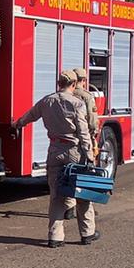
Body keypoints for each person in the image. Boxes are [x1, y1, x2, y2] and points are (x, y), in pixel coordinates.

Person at [15, 69, 99, 248]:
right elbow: (83, 133)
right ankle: (87, 233)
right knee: (82, 194)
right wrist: (90, 156)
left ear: (58, 83)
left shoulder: (47, 101)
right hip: (74, 152)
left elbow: (30, 116)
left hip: (54, 151)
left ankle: (55, 236)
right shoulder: (77, 104)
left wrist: (17, 124)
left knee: (56, 194)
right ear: (74, 84)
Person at [72, 68, 100, 155]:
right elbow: (92, 119)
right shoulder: (87, 96)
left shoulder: (67, 93)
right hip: (84, 136)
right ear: (84, 80)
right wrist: (94, 132)